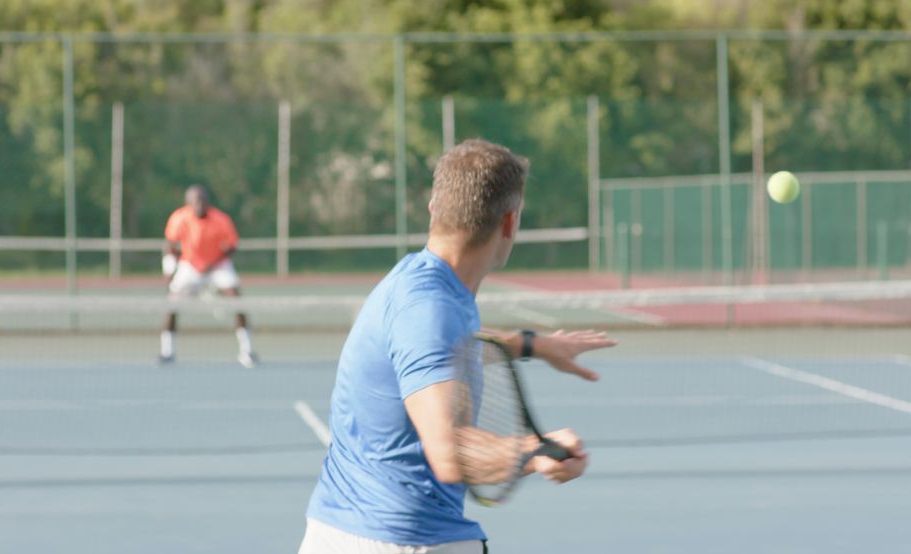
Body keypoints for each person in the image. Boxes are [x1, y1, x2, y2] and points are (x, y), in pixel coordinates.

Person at [299, 140, 616, 553]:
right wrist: (535, 451)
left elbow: (446, 351)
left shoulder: (425, 285)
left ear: (434, 209)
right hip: (402, 542)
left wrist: (532, 344)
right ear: (509, 223)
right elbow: (448, 453)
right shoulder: (429, 309)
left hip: (342, 532)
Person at [160, 184, 258, 368]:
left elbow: (232, 247)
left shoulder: (221, 219)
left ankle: (247, 351)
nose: (199, 204)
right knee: (171, 304)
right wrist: (170, 271)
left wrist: (212, 264)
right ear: (188, 203)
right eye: (195, 201)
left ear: (208, 202)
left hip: (217, 265)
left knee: (237, 300)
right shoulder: (179, 218)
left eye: (203, 200)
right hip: (189, 266)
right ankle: (167, 352)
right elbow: (170, 245)